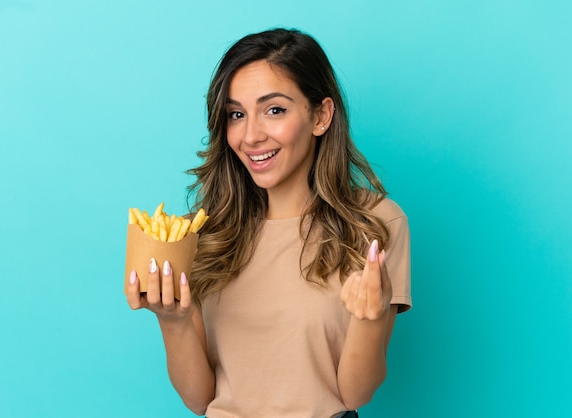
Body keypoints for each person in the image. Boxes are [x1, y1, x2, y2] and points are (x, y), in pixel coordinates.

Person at [126, 28, 411, 418]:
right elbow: (199, 399)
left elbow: (355, 393)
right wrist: (172, 320)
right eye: (236, 114)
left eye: (274, 110)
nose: (251, 135)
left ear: (321, 116)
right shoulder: (200, 234)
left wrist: (370, 319)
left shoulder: (375, 224)